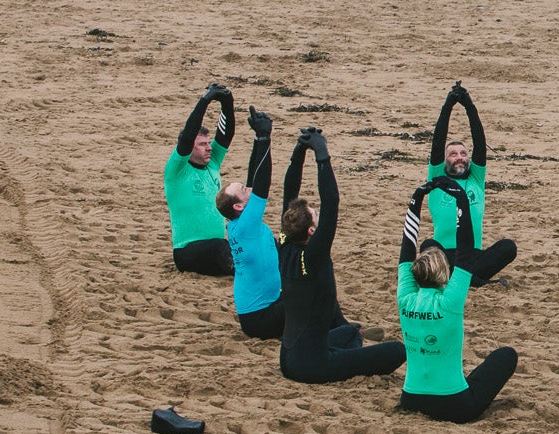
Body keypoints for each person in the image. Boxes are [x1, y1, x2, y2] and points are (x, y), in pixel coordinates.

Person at [277, 128, 406, 385]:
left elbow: (288, 194)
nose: (318, 214)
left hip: (288, 359)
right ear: (313, 231)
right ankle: (346, 360)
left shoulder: (285, 245)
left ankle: (349, 351)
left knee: (350, 332)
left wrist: (299, 153)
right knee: (397, 351)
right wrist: (322, 155)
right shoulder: (314, 253)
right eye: (315, 216)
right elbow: (331, 202)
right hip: (312, 366)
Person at [396, 176, 518, 423]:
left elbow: (406, 250)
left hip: (410, 399)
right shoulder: (450, 301)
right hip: (454, 404)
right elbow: (465, 250)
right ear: (445, 274)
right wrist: (461, 198)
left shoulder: (405, 298)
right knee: (506, 355)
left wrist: (416, 200)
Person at [427, 81, 516, 287]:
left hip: (474, 257)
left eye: (463, 153)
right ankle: (479, 283)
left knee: (508, 247)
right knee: (428, 246)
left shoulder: (475, 179)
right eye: (453, 154)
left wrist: (469, 106)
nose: (459, 157)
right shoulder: (437, 178)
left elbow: (479, 141)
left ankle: (464, 280)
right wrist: (448, 106)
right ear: (444, 160)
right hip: (444, 256)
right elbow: (438, 141)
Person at [215, 107, 284, 338]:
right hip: (261, 317)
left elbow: (254, 178)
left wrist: (257, 139)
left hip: (260, 312)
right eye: (243, 191)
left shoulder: (240, 222)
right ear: (238, 206)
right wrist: (265, 139)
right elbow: (262, 184)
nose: (249, 188)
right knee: (311, 298)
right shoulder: (246, 226)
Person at [165, 83, 236, 275]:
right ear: (189, 149)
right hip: (187, 251)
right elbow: (187, 137)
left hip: (216, 251)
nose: (209, 147)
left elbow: (225, 134)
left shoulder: (212, 164)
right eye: (202, 144)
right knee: (221, 248)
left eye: (208, 143)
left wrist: (227, 102)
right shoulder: (177, 170)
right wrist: (205, 100)